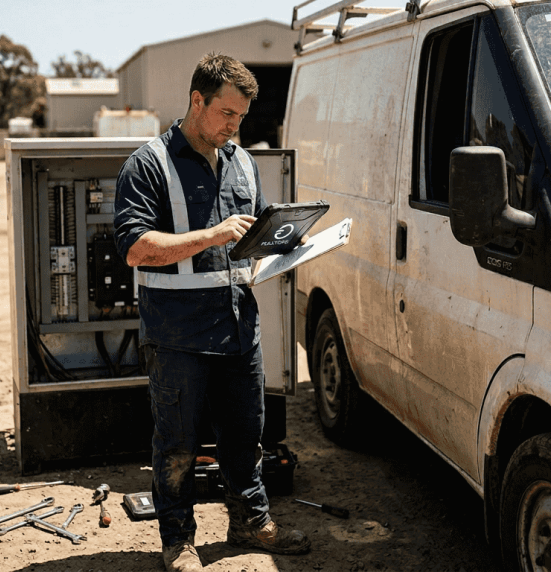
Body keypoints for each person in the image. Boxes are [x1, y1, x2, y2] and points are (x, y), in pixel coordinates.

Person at [114, 53, 311, 572]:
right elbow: (136, 248)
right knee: (177, 445)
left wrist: (289, 244)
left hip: (238, 330)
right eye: (227, 113)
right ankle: (178, 540)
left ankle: (251, 521)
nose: (234, 126)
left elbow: (250, 244)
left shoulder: (242, 161)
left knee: (247, 438)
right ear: (196, 101)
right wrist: (214, 234)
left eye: (241, 117)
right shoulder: (149, 163)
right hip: (178, 335)